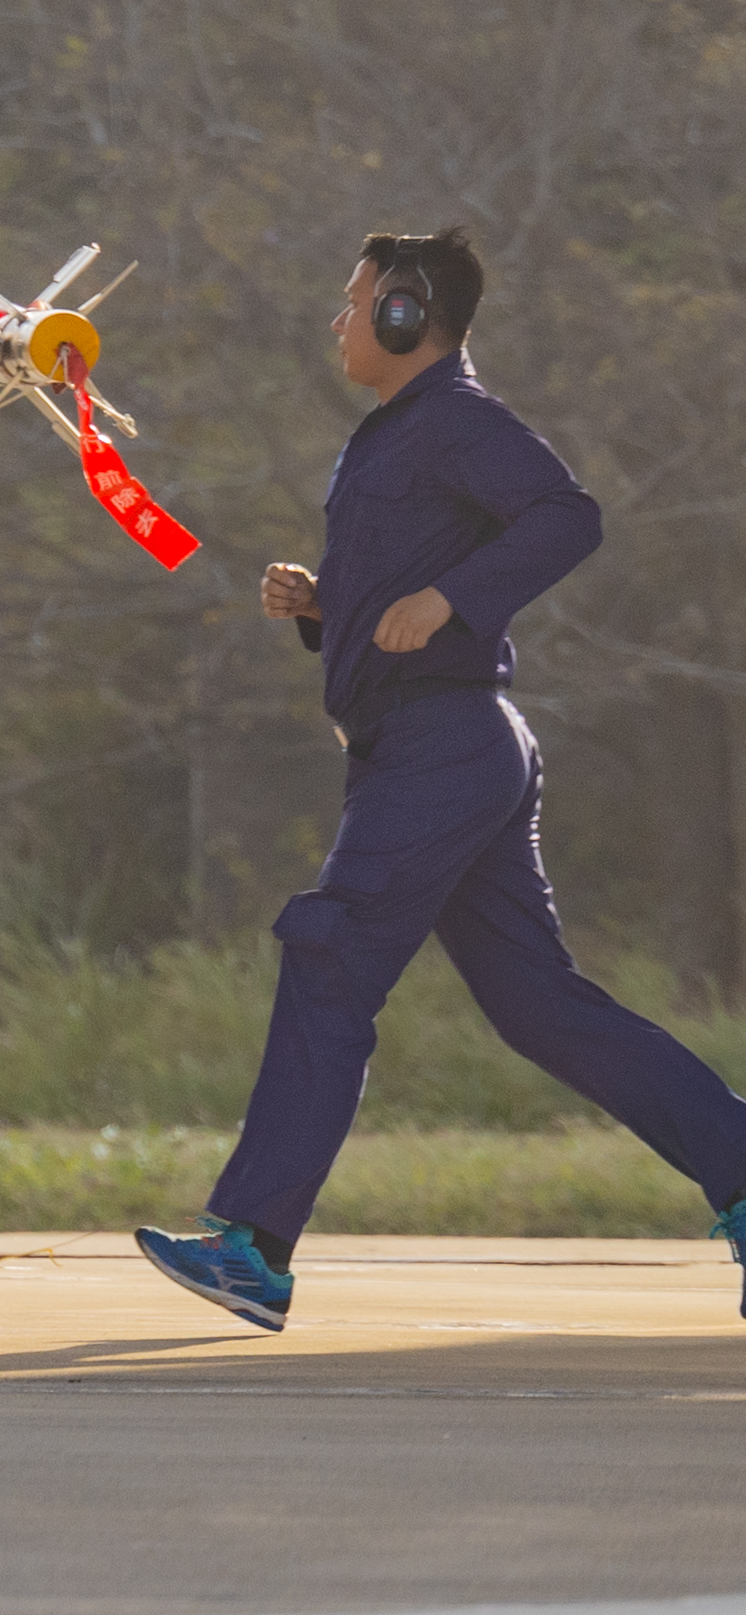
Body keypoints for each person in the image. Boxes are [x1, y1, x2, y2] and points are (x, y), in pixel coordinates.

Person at [137, 229, 746, 1332]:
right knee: (540, 1007)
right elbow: (400, 599)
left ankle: (255, 1246)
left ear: (409, 314)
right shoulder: (393, 437)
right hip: (440, 746)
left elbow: (569, 516)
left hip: (445, 745)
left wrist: (459, 599)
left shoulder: (459, 418)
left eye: (355, 300)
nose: (339, 319)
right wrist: (326, 607)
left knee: (329, 954)